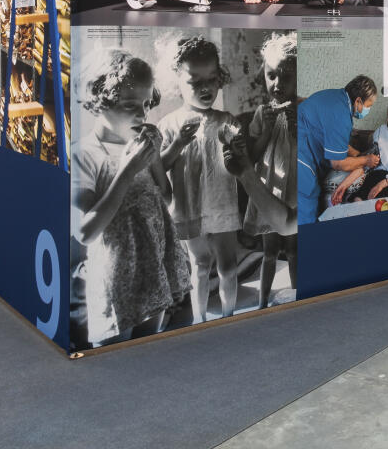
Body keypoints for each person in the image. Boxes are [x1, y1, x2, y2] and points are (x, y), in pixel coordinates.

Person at [72, 49, 190, 347]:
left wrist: (153, 159)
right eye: (129, 105)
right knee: (117, 356)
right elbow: (85, 231)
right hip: (116, 280)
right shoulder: (86, 154)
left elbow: (165, 197)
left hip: (154, 269)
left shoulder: (139, 143)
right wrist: (127, 169)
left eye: (145, 104)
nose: (141, 114)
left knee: (149, 351)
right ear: (100, 103)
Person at [155, 36, 246, 323]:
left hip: (222, 203)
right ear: (177, 84)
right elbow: (160, 168)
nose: (206, 88)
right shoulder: (169, 124)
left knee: (229, 267)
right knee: (200, 264)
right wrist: (178, 143)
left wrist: (239, 144)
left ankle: (230, 317)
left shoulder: (227, 119)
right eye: (195, 82)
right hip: (189, 205)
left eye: (212, 79)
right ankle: (200, 320)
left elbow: (242, 160)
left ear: (220, 79)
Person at [237, 32, 298, 309]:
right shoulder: (263, 113)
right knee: (270, 251)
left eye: (285, 77)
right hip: (268, 186)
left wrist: (299, 128)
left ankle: (299, 296)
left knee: (294, 251)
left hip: (294, 191)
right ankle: (261, 303)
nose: (277, 84)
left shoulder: (304, 109)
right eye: (271, 76)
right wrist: (267, 131)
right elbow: (254, 154)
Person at [295, 75, 380, 225]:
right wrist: (366, 160)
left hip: (297, 144)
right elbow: (338, 163)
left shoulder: (336, 98)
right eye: (369, 105)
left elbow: (335, 141)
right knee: (306, 207)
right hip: (301, 158)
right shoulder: (341, 116)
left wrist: (357, 155)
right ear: (358, 101)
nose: (368, 109)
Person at [329, 96, 388, 204]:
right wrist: (342, 187)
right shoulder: (381, 132)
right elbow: (366, 164)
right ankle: (359, 200)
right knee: (374, 176)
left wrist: (384, 183)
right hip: (381, 176)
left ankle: (362, 199)